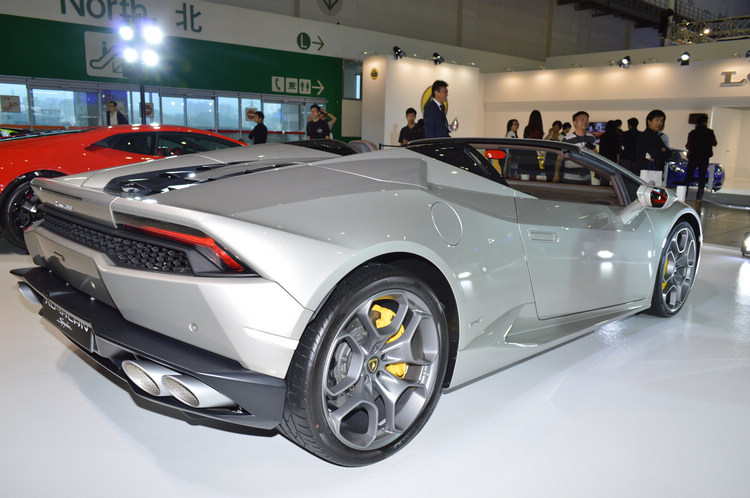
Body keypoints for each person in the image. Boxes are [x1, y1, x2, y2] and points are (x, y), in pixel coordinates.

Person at [555, 110, 595, 183]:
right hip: (570, 178)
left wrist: (593, 151)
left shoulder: (591, 138)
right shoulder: (567, 139)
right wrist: (556, 174)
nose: (585, 122)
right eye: (582, 119)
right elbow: (560, 158)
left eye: (587, 120)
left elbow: (595, 155)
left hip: (586, 178)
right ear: (574, 123)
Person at [685, 114, 717, 202]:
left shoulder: (692, 133)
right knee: (702, 178)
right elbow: (715, 143)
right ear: (706, 122)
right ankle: (699, 198)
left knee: (688, 177)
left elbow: (688, 145)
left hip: (693, 157)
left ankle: (684, 195)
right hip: (704, 158)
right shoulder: (710, 133)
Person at [636, 109, 671, 173]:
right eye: (657, 120)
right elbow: (656, 155)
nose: (659, 123)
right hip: (647, 172)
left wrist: (663, 152)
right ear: (649, 121)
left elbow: (669, 154)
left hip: (654, 172)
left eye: (662, 121)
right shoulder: (646, 136)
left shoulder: (656, 136)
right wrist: (663, 151)